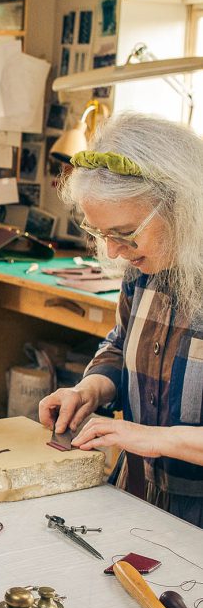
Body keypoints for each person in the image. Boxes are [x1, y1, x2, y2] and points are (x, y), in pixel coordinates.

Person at [38, 112, 203, 528]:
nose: (112, 252)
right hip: (138, 496)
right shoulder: (143, 268)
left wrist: (154, 439)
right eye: (101, 234)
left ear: (181, 207)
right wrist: (90, 389)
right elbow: (119, 343)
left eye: (125, 234)